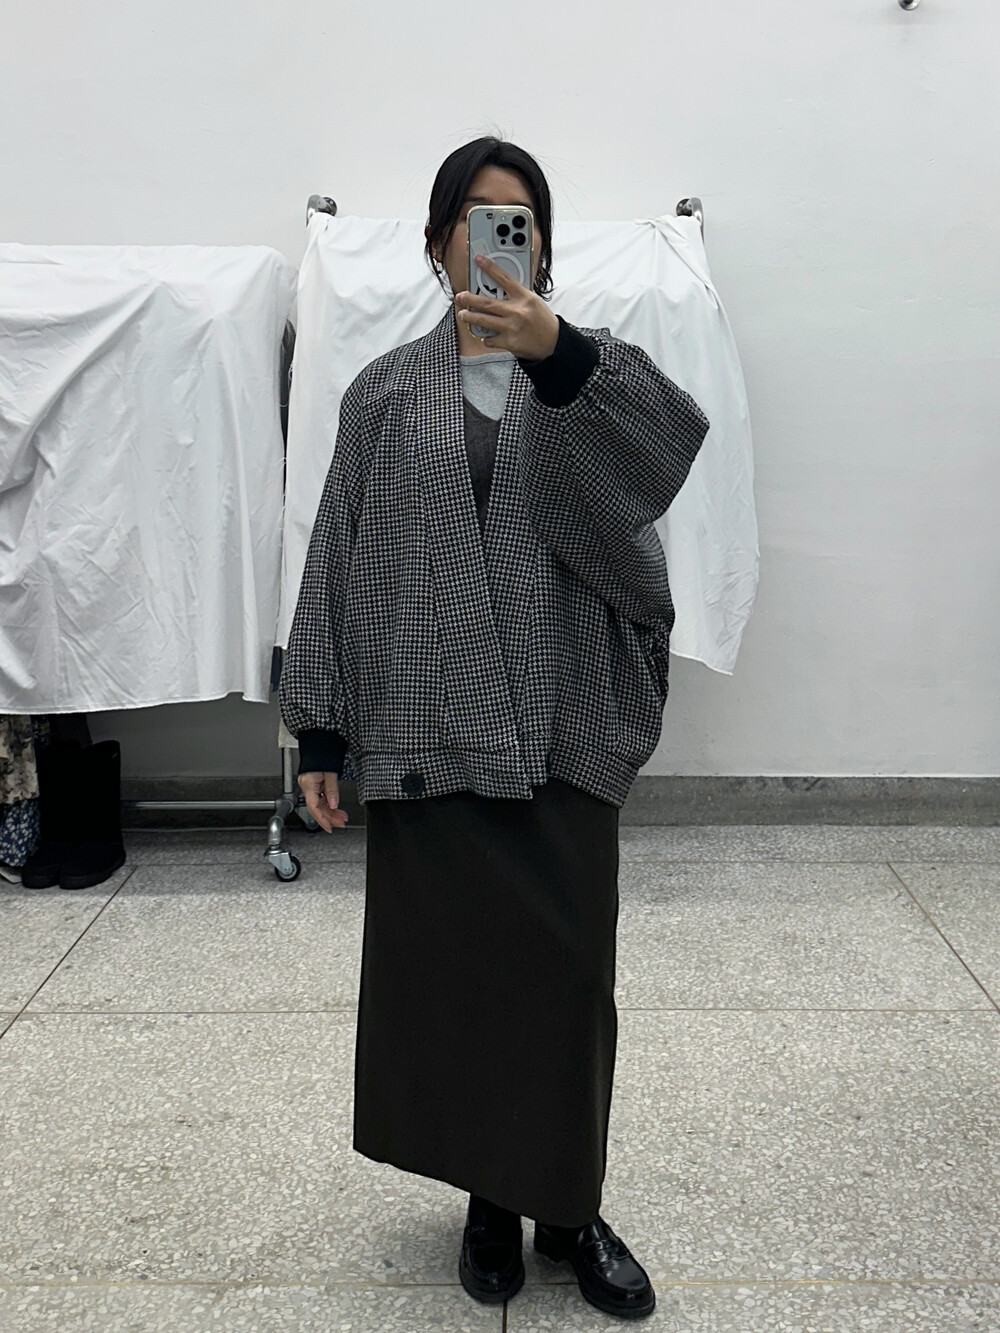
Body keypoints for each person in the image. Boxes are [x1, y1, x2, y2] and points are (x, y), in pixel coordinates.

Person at [278, 136, 710, 1321]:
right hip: (429, 730)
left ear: (542, 248)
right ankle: (487, 1199)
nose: (495, 241)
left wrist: (557, 354)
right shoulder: (381, 396)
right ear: (437, 244)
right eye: (475, 219)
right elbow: (338, 557)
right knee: (457, 983)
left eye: (518, 223)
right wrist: (320, 732)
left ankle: (567, 1208)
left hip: (560, 727)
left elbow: (664, 452)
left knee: (566, 984)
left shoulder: (585, 375)